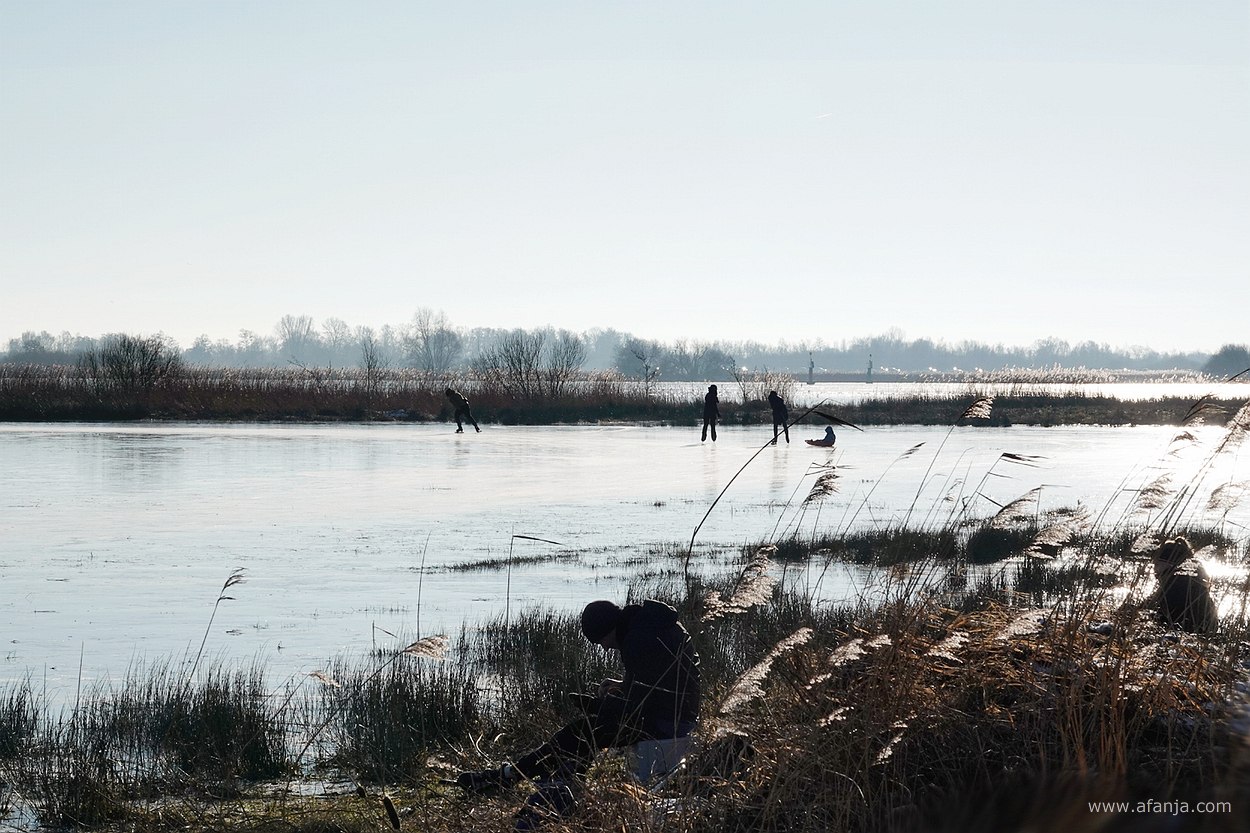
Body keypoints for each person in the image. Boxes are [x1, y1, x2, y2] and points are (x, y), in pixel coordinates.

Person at [455, 599, 701, 827]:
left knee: (581, 732)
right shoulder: (651, 625)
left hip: (667, 724)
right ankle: (535, 779)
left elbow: (637, 708)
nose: (604, 649)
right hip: (680, 715)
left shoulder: (636, 642)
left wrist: (598, 706)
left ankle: (515, 778)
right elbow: (661, 683)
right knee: (584, 733)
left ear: (609, 629)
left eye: (601, 641)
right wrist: (622, 686)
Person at [1152, 536, 1219, 634]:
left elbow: (1164, 618)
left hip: (1185, 637)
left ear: (1171, 563)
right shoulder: (1194, 583)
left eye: (1157, 564)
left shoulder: (1176, 586)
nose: (1154, 569)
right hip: (1203, 636)